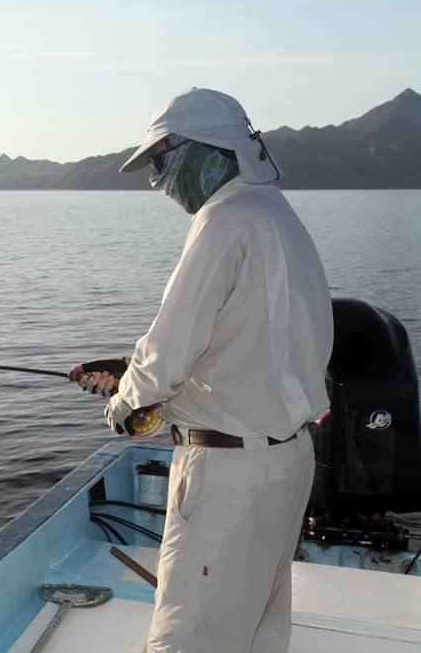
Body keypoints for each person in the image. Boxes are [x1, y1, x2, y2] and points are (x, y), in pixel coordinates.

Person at [68, 88, 333, 653]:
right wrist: (134, 370)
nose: (158, 180)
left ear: (211, 150)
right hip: (288, 464)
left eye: (162, 160)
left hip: (227, 480)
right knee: (261, 628)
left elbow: (164, 359)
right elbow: (251, 346)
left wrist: (123, 405)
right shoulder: (278, 217)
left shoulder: (222, 223)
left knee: (188, 639)